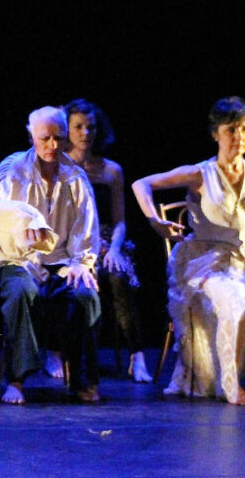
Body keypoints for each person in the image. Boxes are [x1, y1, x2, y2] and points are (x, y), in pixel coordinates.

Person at [131, 96, 245, 405]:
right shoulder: (200, 174)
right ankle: (229, 383)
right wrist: (155, 220)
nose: (239, 136)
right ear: (216, 134)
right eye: (231, 130)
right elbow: (142, 184)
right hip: (206, 263)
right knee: (232, 301)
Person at [0, 106, 102, 404]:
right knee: (22, 292)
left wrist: (82, 264)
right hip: (20, 260)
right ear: (31, 136)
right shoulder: (13, 168)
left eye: (59, 138)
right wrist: (26, 217)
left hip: (61, 263)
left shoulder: (75, 177)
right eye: (45, 138)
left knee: (86, 295)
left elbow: (87, 227)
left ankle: (82, 381)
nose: (52, 146)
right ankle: (17, 381)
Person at [64, 99, 152, 383]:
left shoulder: (111, 170)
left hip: (106, 241)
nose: (85, 133)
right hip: (72, 243)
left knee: (117, 277)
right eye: (78, 127)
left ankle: (137, 356)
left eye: (90, 127)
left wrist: (113, 248)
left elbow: (120, 220)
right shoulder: (60, 167)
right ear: (67, 129)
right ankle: (62, 353)